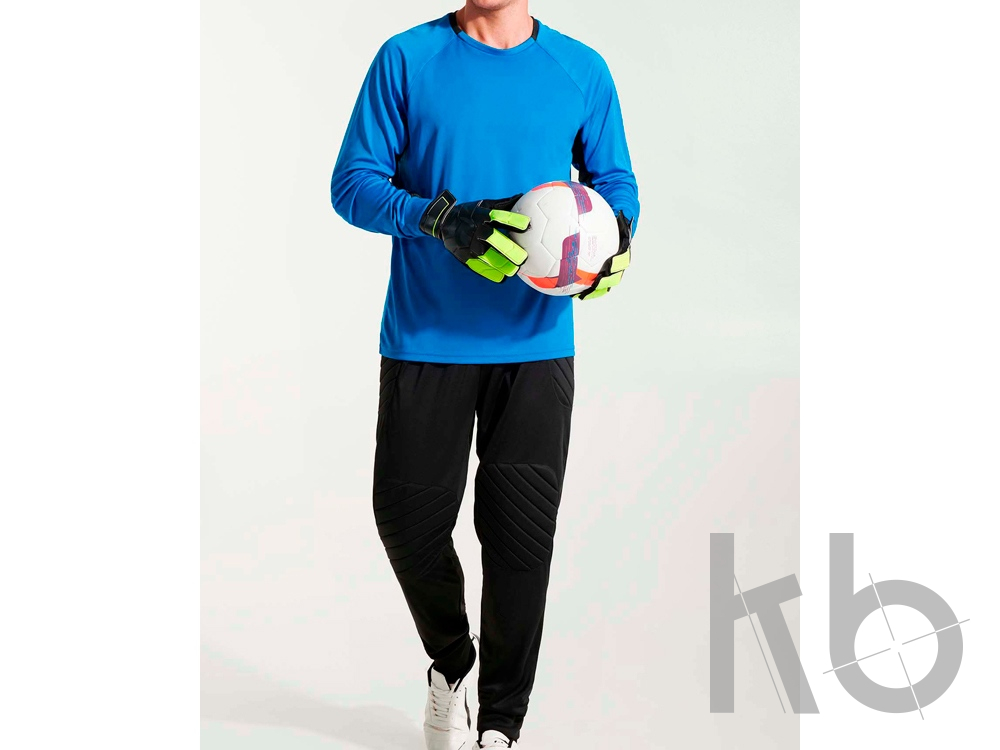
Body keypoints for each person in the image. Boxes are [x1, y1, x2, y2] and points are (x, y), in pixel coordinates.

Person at [330, 1, 638, 747]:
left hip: (535, 348)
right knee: (406, 523)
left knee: (519, 541)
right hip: (426, 337)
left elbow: (615, 182)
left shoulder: (581, 70)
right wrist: (440, 219)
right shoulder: (408, 59)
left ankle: (501, 724)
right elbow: (353, 184)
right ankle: (451, 660)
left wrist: (614, 240)